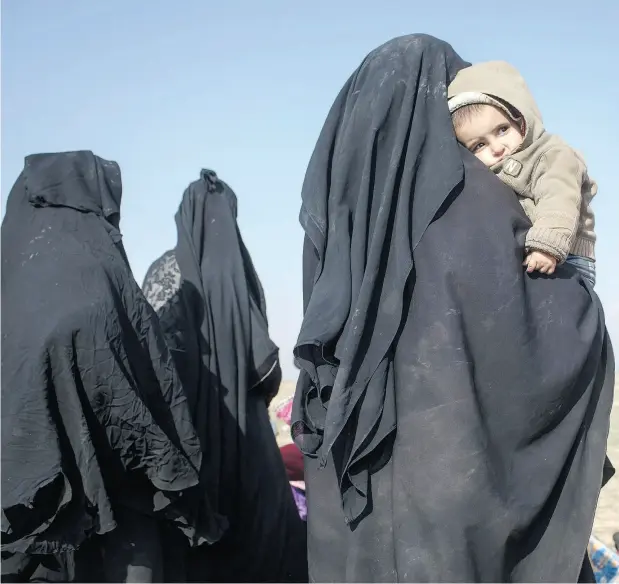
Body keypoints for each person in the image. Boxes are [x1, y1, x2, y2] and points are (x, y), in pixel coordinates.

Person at [291, 34, 614, 582]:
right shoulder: (476, 201)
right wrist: (584, 303)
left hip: (364, 497)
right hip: (460, 490)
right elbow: (550, 340)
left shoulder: (339, 224)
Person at [1, 152, 215, 582]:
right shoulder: (103, 275)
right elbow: (154, 387)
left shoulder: (13, 279)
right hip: (121, 525)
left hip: (23, 507)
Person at [142, 169, 307, 583]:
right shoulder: (240, 274)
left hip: (188, 439)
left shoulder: (162, 273)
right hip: (249, 442)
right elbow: (263, 366)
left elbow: (151, 357)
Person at [447, 61, 597, 285]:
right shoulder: (489, 173)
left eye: (502, 130)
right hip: (534, 252)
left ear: (520, 119)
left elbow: (558, 198)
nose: (497, 148)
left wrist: (547, 246)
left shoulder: (552, 155)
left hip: (567, 255)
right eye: (479, 145)